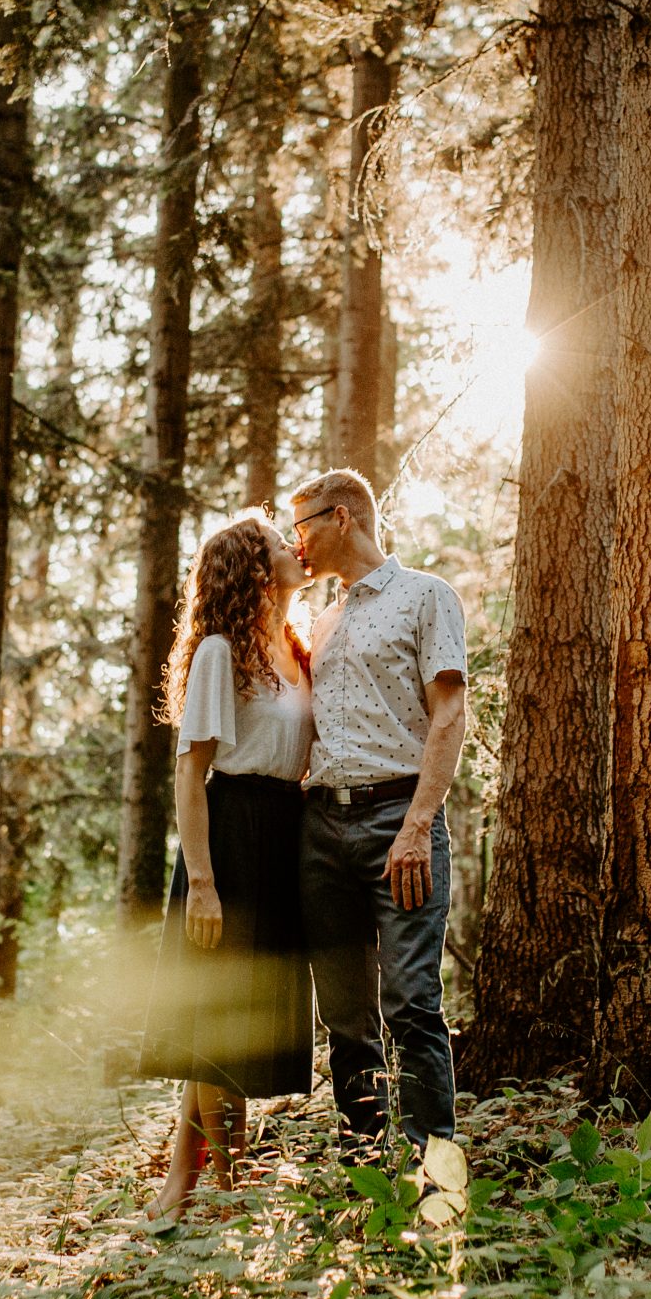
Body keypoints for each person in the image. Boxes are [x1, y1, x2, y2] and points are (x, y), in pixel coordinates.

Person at [285, 468, 468, 1150]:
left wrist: (418, 823)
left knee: (413, 1003)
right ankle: (363, 1159)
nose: (295, 542)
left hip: (399, 818)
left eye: (302, 526)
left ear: (341, 518)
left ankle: (434, 1169)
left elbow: (449, 715)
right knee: (345, 1015)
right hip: (321, 831)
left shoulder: (426, 597)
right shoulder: (322, 620)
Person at [143, 511, 316, 1217]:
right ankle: (226, 1188)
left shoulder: (293, 648)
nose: (294, 546)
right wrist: (204, 884)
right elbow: (191, 773)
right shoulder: (220, 651)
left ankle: (180, 1185)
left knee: (237, 1019)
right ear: (252, 567)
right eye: (279, 543)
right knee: (217, 1018)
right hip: (231, 836)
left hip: (284, 834)